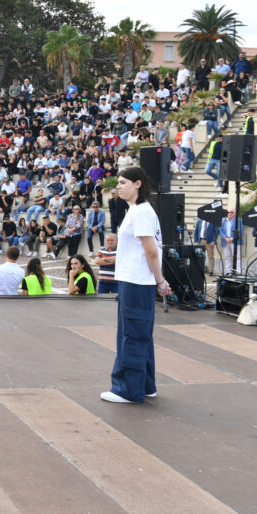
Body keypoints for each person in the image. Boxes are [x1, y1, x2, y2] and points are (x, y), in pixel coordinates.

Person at [102, 165, 171, 404]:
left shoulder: (140, 212)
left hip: (136, 281)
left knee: (132, 334)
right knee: (141, 334)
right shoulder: (141, 210)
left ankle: (128, 390)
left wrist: (160, 281)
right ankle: (145, 385)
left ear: (137, 184)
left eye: (122, 183)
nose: (118, 187)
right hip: (138, 280)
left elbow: (151, 251)